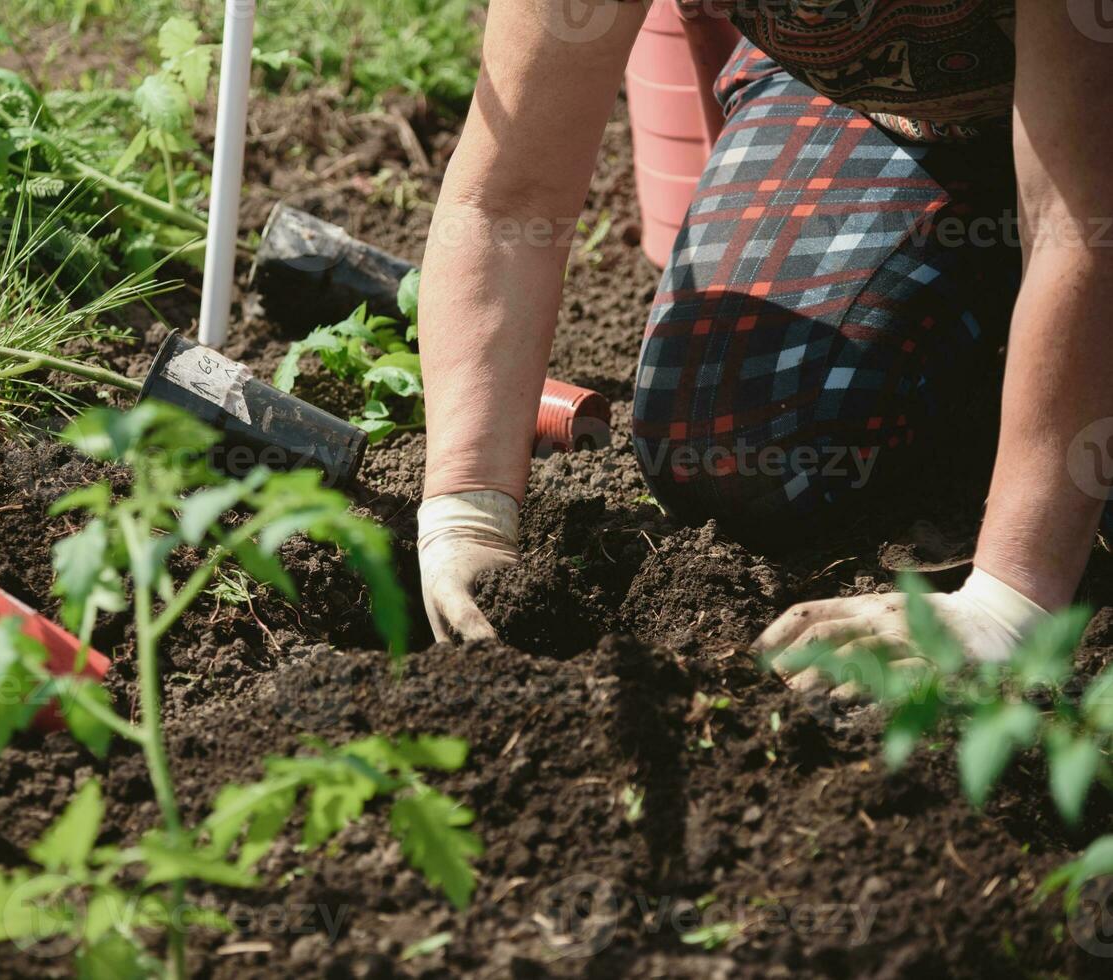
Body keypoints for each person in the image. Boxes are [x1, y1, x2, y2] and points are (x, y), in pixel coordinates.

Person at [415, 0, 1113, 680]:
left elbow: (1083, 224)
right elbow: (508, 201)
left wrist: (1009, 598)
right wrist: (466, 511)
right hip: (894, 105)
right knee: (737, 433)